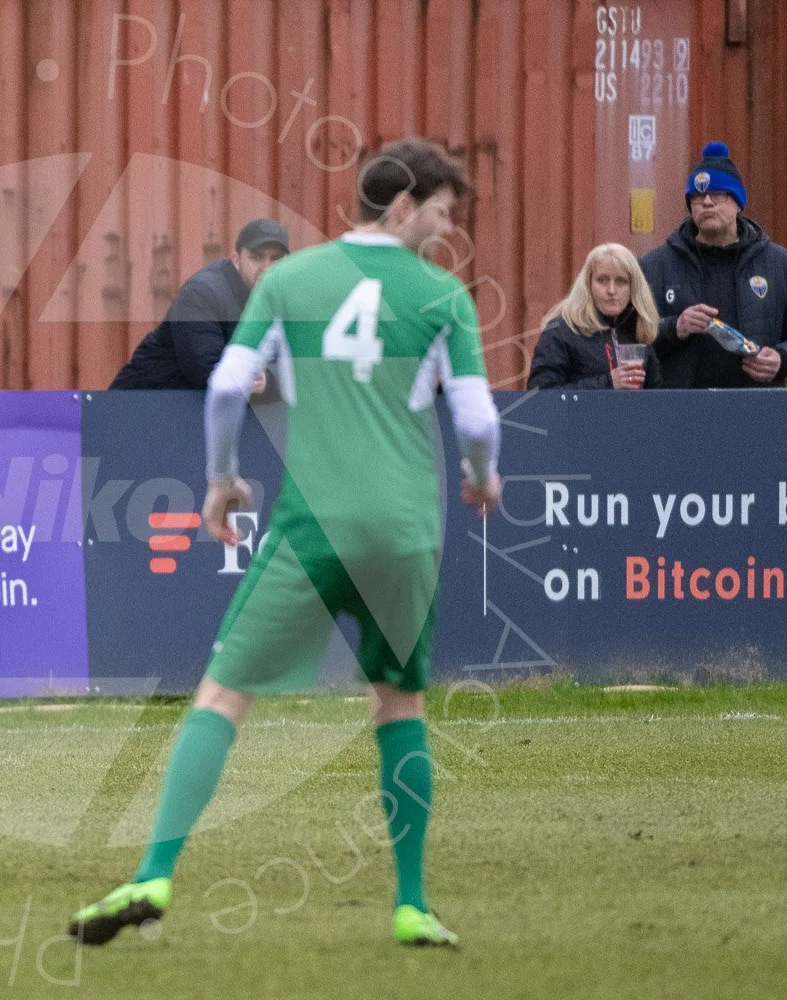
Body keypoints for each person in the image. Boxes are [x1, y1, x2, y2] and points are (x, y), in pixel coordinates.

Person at [69, 138, 501, 948]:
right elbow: (476, 417)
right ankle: (411, 903)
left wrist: (221, 478)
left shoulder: (293, 280)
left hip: (314, 527)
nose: (445, 232)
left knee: (223, 694)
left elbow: (230, 383)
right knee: (398, 704)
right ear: (402, 206)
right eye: (441, 213)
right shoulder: (442, 296)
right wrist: (484, 474)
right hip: (407, 533)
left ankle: (155, 872)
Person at [640, 142, 787, 388]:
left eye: (718, 194)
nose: (706, 202)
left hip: (755, 412)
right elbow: (629, 339)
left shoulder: (779, 264)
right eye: (697, 196)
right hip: (680, 413)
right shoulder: (656, 265)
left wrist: (782, 358)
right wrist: (675, 327)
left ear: (738, 203)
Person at [109, 219, 289, 389]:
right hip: (139, 408)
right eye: (256, 257)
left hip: (194, 411)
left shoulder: (286, 297)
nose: (267, 268)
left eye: (275, 259)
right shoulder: (202, 293)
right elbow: (208, 373)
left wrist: (268, 380)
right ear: (236, 260)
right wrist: (262, 381)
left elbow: (299, 367)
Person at [528, 243, 661, 390]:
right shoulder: (561, 331)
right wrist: (608, 383)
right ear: (588, 285)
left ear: (634, 289)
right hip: (580, 414)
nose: (611, 290)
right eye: (602, 280)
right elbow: (540, 395)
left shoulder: (638, 331)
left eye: (621, 281)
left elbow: (656, 398)